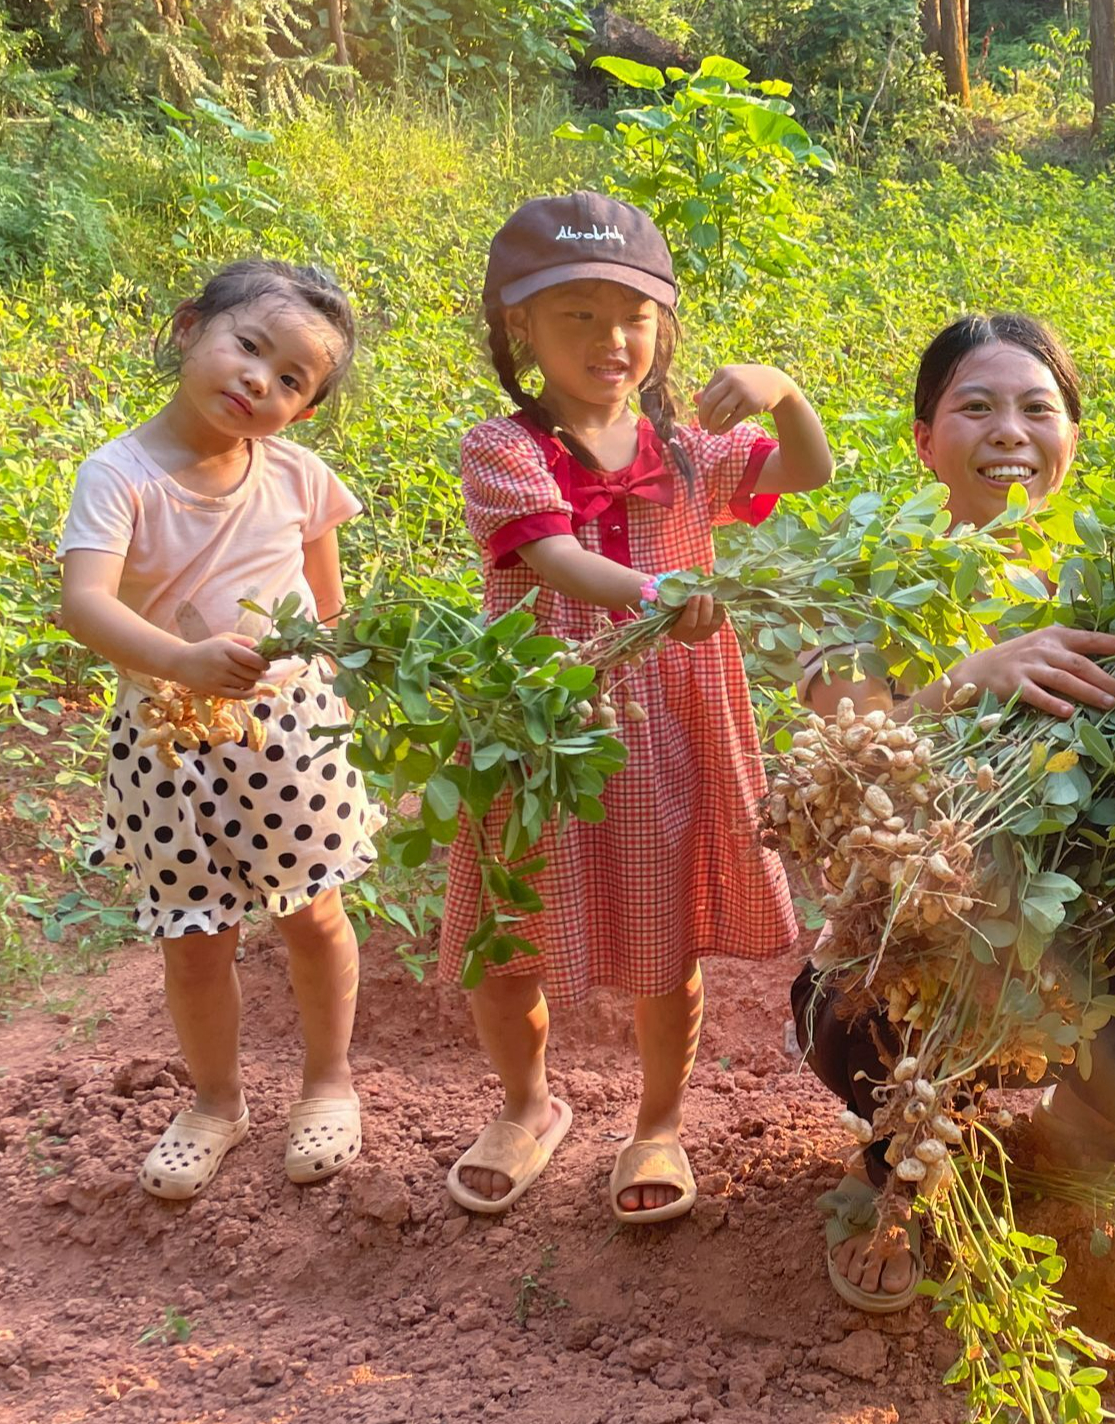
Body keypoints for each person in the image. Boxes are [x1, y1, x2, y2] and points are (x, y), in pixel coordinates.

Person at [792, 313, 1115, 1313]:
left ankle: (1090, 1130)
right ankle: (899, 1166)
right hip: (931, 925)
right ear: (923, 439)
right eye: (977, 405)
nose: (1010, 428)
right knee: (861, 989)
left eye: (1038, 407)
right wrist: (968, 674)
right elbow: (838, 724)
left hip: (1073, 931)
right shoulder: (878, 569)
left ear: (1071, 438)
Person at [440, 193, 834, 1222]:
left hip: (669, 717)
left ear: (663, 326)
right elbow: (556, 556)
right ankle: (526, 1105)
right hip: (538, 719)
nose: (610, 340)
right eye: (576, 314)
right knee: (507, 927)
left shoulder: (689, 448)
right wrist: (661, 596)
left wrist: (783, 390)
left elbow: (808, 467)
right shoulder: (504, 446)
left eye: (633, 315)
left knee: (668, 932)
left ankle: (658, 1122)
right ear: (519, 327)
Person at [57, 259, 381, 1201]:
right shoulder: (117, 476)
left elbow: (327, 608)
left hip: (290, 733)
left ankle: (330, 1080)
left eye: (292, 382)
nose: (259, 384)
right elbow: (84, 605)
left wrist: (341, 689)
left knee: (314, 912)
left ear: (307, 411)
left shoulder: (297, 477)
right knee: (194, 940)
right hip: (166, 742)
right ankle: (216, 1102)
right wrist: (181, 661)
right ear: (189, 325)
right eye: (248, 347)